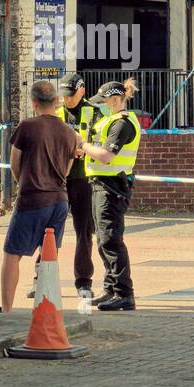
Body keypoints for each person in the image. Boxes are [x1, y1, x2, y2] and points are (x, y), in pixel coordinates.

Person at [1, 80, 81, 313]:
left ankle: (6, 309)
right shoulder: (69, 132)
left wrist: (25, 182)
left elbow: (14, 163)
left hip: (32, 198)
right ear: (57, 101)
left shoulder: (27, 126)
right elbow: (66, 170)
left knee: (12, 254)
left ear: (34, 103)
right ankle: (47, 307)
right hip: (59, 200)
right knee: (49, 257)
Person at [79, 80, 141, 311]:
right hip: (100, 184)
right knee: (102, 240)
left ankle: (124, 293)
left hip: (112, 187)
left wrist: (81, 145)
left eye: (104, 102)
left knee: (111, 240)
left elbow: (106, 155)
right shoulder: (109, 120)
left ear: (115, 100)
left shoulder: (122, 124)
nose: (101, 106)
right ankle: (111, 289)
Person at [54, 73, 101, 303]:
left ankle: (84, 282)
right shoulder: (54, 112)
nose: (66, 100)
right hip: (57, 179)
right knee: (49, 230)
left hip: (83, 179)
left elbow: (101, 142)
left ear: (81, 90)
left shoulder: (94, 112)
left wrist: (86, 147)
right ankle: (40, 278)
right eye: (63, 96)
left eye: (70, 96)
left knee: (84, 231)